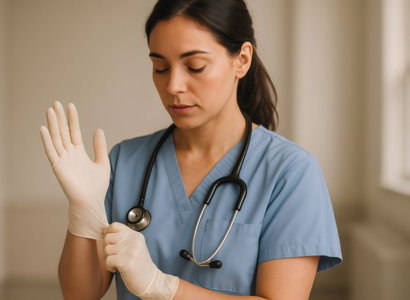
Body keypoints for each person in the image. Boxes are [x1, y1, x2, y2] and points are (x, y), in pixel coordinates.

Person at [40, 0, 342, 299]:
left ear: (242, 60)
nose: (173, 85)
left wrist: (162, 287)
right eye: (160, 67)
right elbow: (80, 294)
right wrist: (82, 211)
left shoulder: (290, 172)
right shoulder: (124, 162)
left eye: (195, 66)